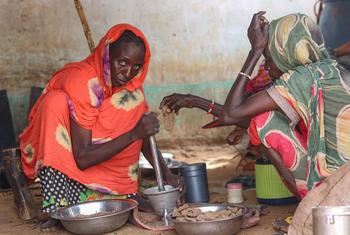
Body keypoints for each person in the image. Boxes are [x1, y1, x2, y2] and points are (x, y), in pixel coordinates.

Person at [160, 11, 350, 201]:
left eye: (268, 57)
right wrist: (193, 101)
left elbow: (232, 114)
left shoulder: (302, 77)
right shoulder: (330, 71)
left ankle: (312, 204)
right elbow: (241, 115)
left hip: (338, 193)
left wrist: (255, 51)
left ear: (286, 53)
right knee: (263, 118)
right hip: (344, 183)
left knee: (263, 122)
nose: (265, 66)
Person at [19, 24, 181, 221]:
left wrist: (166, 174)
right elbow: (83, 158)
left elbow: (144, 136)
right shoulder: (82, 81)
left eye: (136, 66)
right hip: (71, 169)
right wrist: (134, 133)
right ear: (106, 53)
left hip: (105, 171)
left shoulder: (128, 88)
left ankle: (117, 192)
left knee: (133, 99)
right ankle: (58, 205)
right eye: (122, 62)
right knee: (54, 102)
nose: (128, 72)